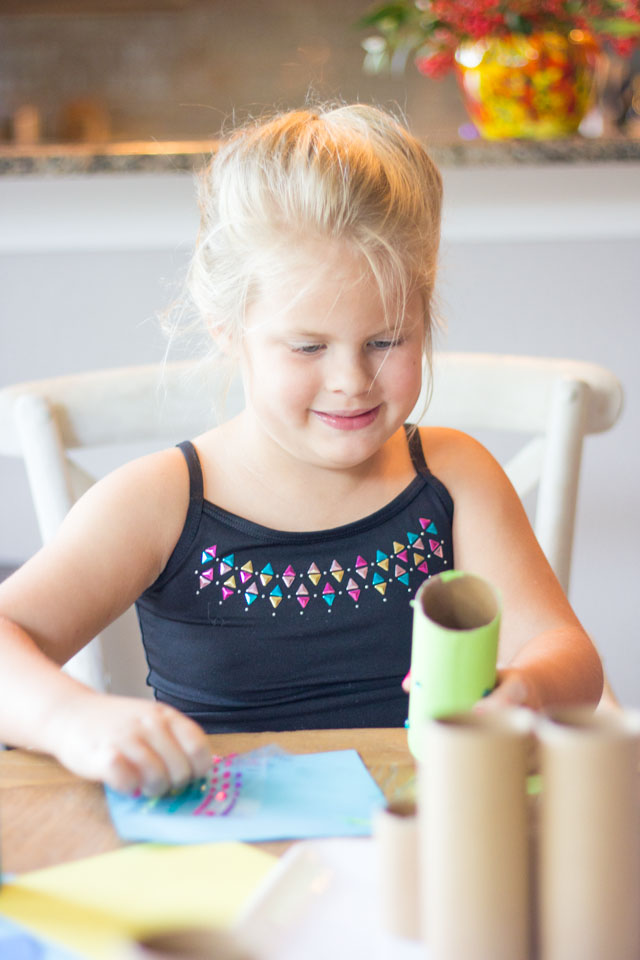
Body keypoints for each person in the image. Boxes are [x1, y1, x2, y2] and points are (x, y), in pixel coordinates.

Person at [0, 103, 603, 798]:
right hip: (228, 866)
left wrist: (527, 692)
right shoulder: (161, 500)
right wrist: (73, 719)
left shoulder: (455, 477)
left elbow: (571, 658)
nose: (351, 381)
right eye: (308, 346)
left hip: (422, 846)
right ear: (227, 327)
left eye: (386, 341)